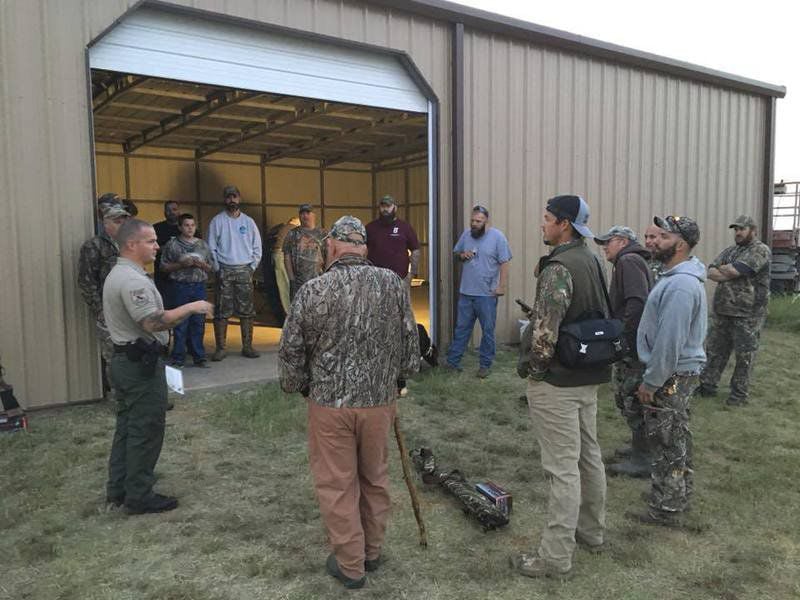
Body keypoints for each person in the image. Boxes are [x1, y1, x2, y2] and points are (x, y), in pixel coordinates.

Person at [278, 216, 419, 590]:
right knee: (374, 477)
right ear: (364, 249)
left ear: (333, 247)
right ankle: (370, 552)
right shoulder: (393, 284)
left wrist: (298, 386)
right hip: (378, 404)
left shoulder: (313, 289)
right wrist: (399, 378)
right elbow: (410, 342)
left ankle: (350, 566)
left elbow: (290, 349)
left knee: (338, 483)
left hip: (330, 405)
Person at [512, 194, 609, 580]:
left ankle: (554, 557)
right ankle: (591, 532)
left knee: (562, 469)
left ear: (564, 224)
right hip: (589, 375)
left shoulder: (559, 267)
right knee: (589, 457)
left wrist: (535, 371)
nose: (542, 224)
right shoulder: (593, 259)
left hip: (559, 381)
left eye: (547, 218)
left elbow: (545, 330)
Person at [103, 218, 213, 514]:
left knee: (128, 427)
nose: (157, 246)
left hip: (128, 360)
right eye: (150, 241)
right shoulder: (131, 280)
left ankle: (120, 489)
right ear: (131, 244)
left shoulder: (126, 274)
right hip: (138, 365)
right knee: (145, 429)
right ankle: (138, 495)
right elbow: (151, 321)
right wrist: (193, 307)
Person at [626, 215, 707, 527]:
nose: (654, 241)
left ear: (680, 245)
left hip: (670, 375)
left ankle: (666, 510)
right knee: (676, 436)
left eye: (663, 237)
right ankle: (676, 497)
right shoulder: (674, 278)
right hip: (676, 372)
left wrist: (652, 381)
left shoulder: (681, 286)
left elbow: (669, 341)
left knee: (665, 442)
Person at [594, 226, 654, 478]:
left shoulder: (628, 261)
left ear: (622, 241)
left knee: (632, 397)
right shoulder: (629, 261)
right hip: (635, 343)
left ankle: (643, 458)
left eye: (608, 242)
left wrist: (622, 335)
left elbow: (637, 302)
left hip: (634, 347)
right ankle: (638, 447)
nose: (604, 247)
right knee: (628, 397)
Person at [699, 215, 771, 406]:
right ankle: (707, 386)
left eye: (742, 229)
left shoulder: (760, 250)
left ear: (753, 230)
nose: (738, 233)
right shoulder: (731, 251)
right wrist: (725, 271)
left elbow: (735, 271)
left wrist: (725, 271)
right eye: (736, 229)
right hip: (723, 310)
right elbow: (710, 271)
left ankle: (738, 395)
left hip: (748, 313)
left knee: (744, 356)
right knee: (715, 350)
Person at [445, 205, 511, 378]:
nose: (474, 224)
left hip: (487, 295)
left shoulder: (498, 237)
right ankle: (452, 363)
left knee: (487, 331)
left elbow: (504, 262)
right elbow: (456, 254)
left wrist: (501, 286)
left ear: (487, 222)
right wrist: (462, 255)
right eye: (472, 220)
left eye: (478, 221)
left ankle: (485, 365)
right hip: (466, 292)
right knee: (461, 329)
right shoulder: (466, 235)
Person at [366, 194, 422, 396]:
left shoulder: (405, 228)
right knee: (376, 324)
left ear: (395, 207)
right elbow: (362, 251)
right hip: (376, 285)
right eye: (382, 206)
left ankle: (401, 375)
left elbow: (415, 250)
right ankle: (376, 368)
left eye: (388, 206)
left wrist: (411, 275)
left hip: (399, 284)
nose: (385, 210)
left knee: (401, 326)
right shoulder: (370, 228)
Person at [78, 203, 130, 399]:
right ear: (105, 222)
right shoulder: (93, 246)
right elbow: (85, 281)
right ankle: (120, 398)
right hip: (108, 310)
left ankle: (137, 395)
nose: (122, 224)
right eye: (117, 221)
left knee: (134, 352)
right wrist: (99, 309)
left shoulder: (129, 243)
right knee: (114, 356)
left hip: (131, 307)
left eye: (124, 220)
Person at [207, 185, 263, 360]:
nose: (232, 200)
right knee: (222, 312)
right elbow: (211, 247)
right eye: (228, 197)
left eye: (235, 197)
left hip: (244, 270)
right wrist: (217, 268)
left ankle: (247, 346)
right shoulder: (217, 221)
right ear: (224, 200)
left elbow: (257, 247)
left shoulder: (248, 222)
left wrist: (252, 267)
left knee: (247, 311)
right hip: (225, 270)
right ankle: (221, 348)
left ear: (239, 199)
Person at [160, 213, 214, 368]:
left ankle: (199, 356)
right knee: (180, 322)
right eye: (186, 225)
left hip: (198, 287)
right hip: (180, 287)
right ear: (180, 227)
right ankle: (178, 357)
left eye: (192, 225)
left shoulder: (203, 245)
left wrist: (201, 265)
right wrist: (181, 265)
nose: (190, 228)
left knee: (198, 323)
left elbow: (212, 267)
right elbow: (163, 267)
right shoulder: (173, 245)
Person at [283, 204, 327, 301]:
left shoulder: (323, 234)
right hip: (298, 283)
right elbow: (287, 257)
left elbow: (329, 257)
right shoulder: (292, 234)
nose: (305, 216)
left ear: (314, 215)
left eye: (308, 213)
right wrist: (291, 278)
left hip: (318, 282)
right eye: (302, 213)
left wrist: (326, 278)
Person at [153, 200, 181, 308]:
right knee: (164, 307)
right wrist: (167, 248)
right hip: (162, 276)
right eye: (168, 210)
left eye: (174, 209)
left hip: (182, 276)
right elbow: (151, 247)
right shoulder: (156, 228)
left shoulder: (185, 228)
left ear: (179, 211)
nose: (171, 212)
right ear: (164, 212)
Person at [272, 216, 300, 315]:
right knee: (287, 286)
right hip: (282, 256)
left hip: (278, 255)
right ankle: (290, 315)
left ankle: (288, 314)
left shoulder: (284, 228)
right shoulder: (293, 229)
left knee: (283, 286)